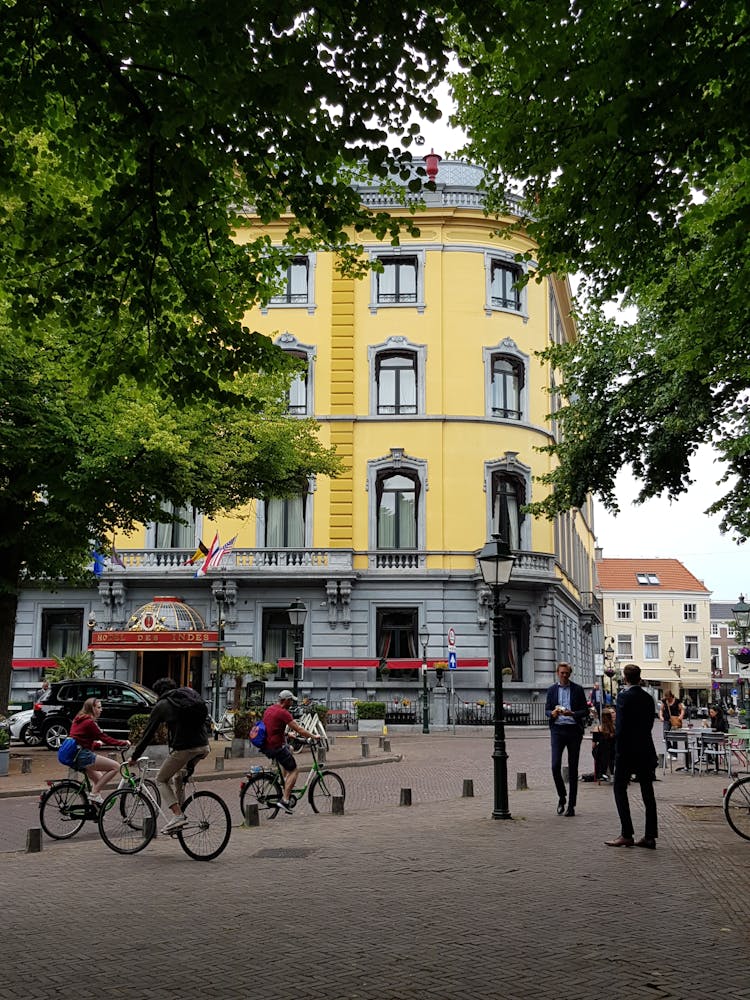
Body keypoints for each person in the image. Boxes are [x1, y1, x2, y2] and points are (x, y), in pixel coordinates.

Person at [129, 677, 211, 834]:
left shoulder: (163, 705)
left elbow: (148, 735)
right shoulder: (188, 697)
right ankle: (181, 814)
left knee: (160, 779)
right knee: (178, 777)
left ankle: (178, 816)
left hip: (184, 749)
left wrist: (134, 757)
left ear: (158, 692)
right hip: (204, 747)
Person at [605, 663, 659, 849]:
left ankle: (627, 833)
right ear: (639, 677)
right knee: (647, 792)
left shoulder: (623, 697)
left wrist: (616, 746)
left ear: (625, 678)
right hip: (645, 748)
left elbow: (620, 726)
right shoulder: (647, 698)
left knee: (620, 788)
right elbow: (650, 724)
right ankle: (650, 835)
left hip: (627, 750)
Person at [261, 689, 320, 814]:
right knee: (294, 770)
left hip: (267, 745)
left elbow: (271, 728)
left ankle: (284, 782)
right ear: (286, 700)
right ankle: (285, 800)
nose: (292, 703)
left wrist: (287, 734)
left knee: (290, 749)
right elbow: (300, 729)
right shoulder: (284, 713)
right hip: (276, 746)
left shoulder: (270, 709)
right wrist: (314, 736)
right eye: (291, 701)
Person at [545, 662, 589, 817]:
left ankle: (572, 805)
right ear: (558, 673)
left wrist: (573, 714)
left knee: (573, 768)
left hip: (573, 731)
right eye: (562, 673)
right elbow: (547, 710)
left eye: (567, 673)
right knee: (555, 765)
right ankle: (562, 796)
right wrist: (552, 714)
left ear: (570, 674)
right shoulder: (552, 690)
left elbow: (585, 711)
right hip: (557, 730)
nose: (564, 675)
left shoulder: (577, 689)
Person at [69, 697, 131, 803]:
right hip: (83, 756)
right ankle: (94, 794)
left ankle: (96, 812)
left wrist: (96, 744)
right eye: (99, 707)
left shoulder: (78, 719)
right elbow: (105, 738)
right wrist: (123, 742)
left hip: (75, 755)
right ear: (92, 709)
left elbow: (79, 738)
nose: (101, 710)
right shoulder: (89, 722)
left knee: (99, 779)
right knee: (116, 767)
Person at [591, 707, 616, 782]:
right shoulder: (615, 728)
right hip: (613, 752)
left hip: (601, 754)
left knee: (598, 751)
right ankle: (611, 772)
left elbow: (593, 745)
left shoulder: (597, 729)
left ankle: (601, 772)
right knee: (610, 753)